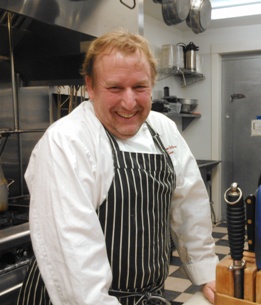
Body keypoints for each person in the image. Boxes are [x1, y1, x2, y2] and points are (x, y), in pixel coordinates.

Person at [17, 29, 218, 305]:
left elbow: (189, 205)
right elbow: (76, 258)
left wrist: (207, 272)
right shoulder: (67, 141)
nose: (129, 102)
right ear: (90, 86)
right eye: (114, 88)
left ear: (152, 84)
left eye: (139, 87)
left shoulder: (163, 129)